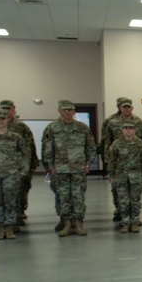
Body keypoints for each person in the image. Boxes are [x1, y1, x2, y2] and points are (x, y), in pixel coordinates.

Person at [41, 99, 95, 237]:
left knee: (78, 196)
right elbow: (47, 149)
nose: (68, 112)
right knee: (63, 197)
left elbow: (90, 147)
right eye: (65, 110)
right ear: (59, 111)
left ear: (74, 111)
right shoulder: (52, 128)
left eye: (70, 110)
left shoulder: (82, 128)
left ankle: (78, 223)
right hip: (60, 169)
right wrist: (50, 167)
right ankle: (66, 223)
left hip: (78, 169)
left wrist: (88, 164)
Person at [0, 108, 30, 240]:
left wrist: (23, 172)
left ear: (8, 119)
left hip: (11, 175)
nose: (1, 121)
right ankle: (0, 228)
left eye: (3, 118)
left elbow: (26, 154)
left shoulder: (16, 138)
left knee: (11, 201)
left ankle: (10, 227)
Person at [107, 121, 142, 233]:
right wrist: (111, 175)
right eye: (126, 128)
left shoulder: (140, 144)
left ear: (135, 130)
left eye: (131, 128)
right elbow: (112, 161)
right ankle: (125, 222)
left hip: (136, 176)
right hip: (120, 176)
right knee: (123, 200)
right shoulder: (116, 144)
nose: (128, 130)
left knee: (135, 200)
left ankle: (135, 222)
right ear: (122, 130)